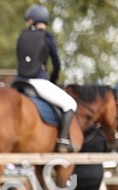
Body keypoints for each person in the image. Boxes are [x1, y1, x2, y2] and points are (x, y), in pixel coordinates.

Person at [16, 4, 77, 152]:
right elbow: (56, 64)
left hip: (18, 81)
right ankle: (63, 141)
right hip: (39, 81)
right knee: (70, 104)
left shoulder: (22, 36)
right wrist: (53, 80)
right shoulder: (47, 37)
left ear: (32, 21)